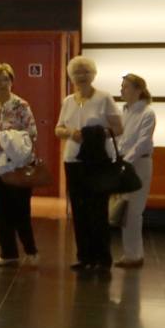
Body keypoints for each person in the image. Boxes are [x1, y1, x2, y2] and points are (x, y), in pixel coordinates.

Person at [55, 55, 123, 273]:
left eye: (86, 72)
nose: (82, 76)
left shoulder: (104, 98)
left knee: (98, 210)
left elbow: (118, 128)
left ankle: (102, 258)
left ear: (93, 74)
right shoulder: (68, 101)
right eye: (77, 72)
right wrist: (70, 133)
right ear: (71, 76)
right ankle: (84, 256)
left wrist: (91, 134)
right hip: (73, 159)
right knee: (79, 210)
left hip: (97, 160)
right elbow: (58, 129)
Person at [0, 63, 40, 266]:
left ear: (12, 81)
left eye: (5, 79)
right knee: (1, 213)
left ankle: (31, 252)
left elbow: (32, 133)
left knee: (21, 211)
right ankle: (8, 253)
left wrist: (6, 141)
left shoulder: (21, 105)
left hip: (17, 166)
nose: (2, 84)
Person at [113, 74, 157, 268]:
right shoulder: (124, 111)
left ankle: (134, 254)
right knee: (125, 207)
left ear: (138, 90)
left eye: (126, 87)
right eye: (122, 86)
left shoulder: (147, 113)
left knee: (134, 210)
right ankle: (130, 253)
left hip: (139, 164)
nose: (122, 90)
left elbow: (143, 142)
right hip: (124, 163)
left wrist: (126, 161)